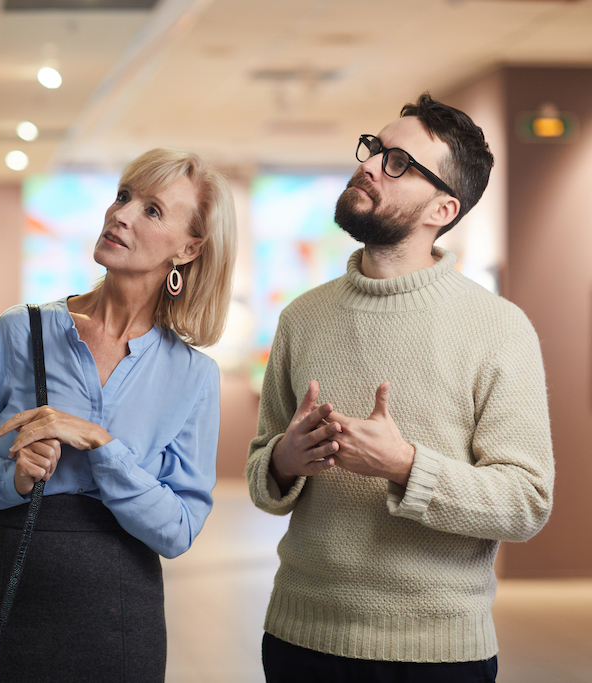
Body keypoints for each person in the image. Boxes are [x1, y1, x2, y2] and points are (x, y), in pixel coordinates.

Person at [245, 93, 554, 682]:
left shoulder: (500, 328)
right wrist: (283, 461)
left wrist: (406, 466)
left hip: (438, 656)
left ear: (442, 208)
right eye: (375, 148)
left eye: (398, 162)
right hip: (299, 640)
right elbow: (263, 478)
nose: (369, 164)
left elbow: (526, 502)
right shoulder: (302, 319)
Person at [0, 148, 237, 682]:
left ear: (188, 250)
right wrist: (14, 477)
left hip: (121, 619)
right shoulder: (18, 331)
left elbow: (179, 530)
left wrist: (100, 443)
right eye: (123, 196)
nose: (121, 214)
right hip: (9, 601)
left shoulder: (193, 376)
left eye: (153, 210)